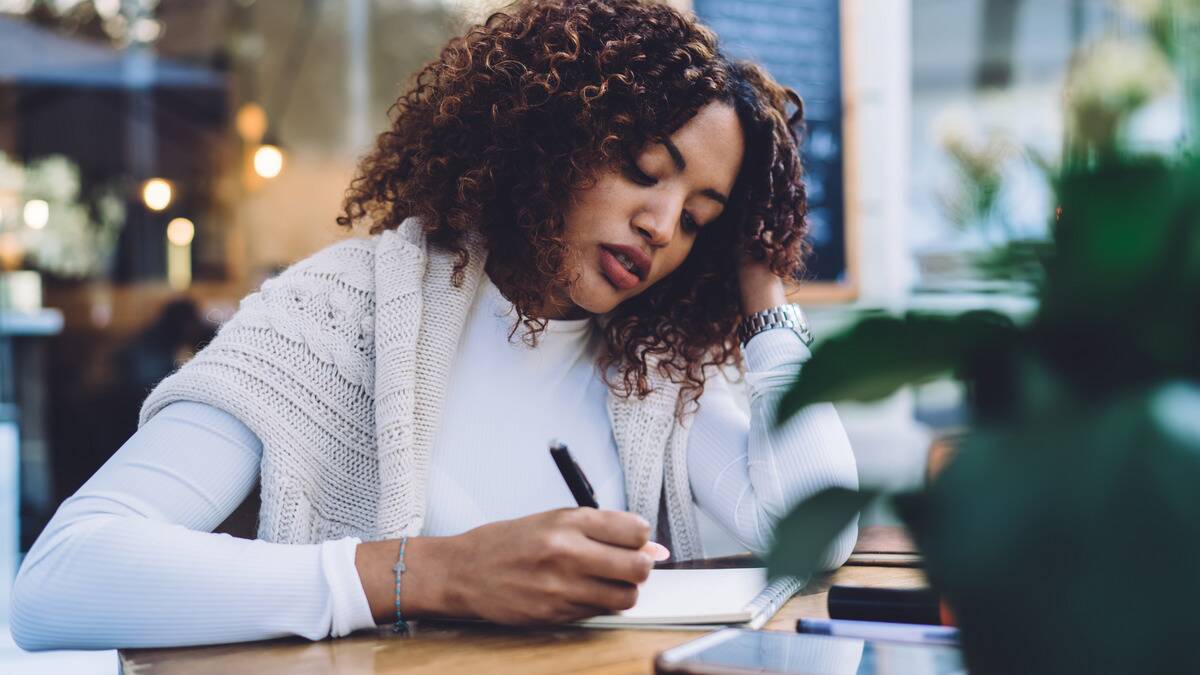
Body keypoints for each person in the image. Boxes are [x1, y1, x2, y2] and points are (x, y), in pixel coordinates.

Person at [10, 0, 858, 650]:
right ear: (550, 139)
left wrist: (763, 278)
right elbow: (57, 580)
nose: (664, 224)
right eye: (644, 169)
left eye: (702, 216)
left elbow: (817, 530)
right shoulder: (341, 313)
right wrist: (428, 573)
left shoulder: (649, 367)